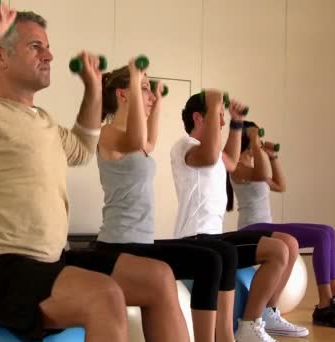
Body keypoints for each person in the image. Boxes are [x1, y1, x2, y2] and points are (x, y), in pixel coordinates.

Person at [0, 3, 189, 341]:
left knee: (159, 277)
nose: (50, 56)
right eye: (36, 46)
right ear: (0, 57)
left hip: (48, 262)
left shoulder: (45, 122)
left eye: (49, 47)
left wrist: (93, 88)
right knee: (105, 296)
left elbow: (83, 149)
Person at [93, 64, 238, 342]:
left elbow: (148, 142)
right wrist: (138, 85)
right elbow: (137, 139)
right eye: (143, 88)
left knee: (216, 257)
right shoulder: (107, 133)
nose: (148, 95)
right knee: (208, 260)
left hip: (142, 244)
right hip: (117, 246)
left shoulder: (137, 143)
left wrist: (156, 103)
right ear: (123, 95)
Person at [171, 92, 309, 341]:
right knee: (277, 251)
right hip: (194, 238)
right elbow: (213, 155)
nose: (221, 124)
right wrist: (215, 103)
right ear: (198, 118)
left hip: (215, 236)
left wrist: (236, 122)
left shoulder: (213, 152)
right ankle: (249, 325)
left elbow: (232, 162)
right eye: (218, 117)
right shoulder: (185, 145)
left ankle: (266, 313)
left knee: (289, 243)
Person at [227, 120, 335, 329]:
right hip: (251, 229)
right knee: (320, 237)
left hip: (265, 226)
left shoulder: (254, 166)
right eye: (256, 137)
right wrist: (256, 142)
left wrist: (273, 156)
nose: (261, 141)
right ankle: (325, 305)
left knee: (328, 232)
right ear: (248, 140)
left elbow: (281, 185)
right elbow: (262, 175)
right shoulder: (237, 168)